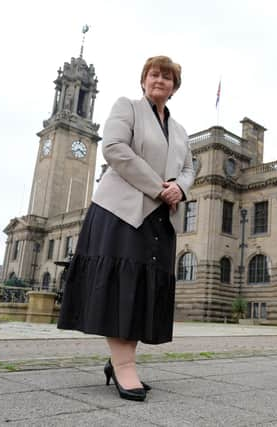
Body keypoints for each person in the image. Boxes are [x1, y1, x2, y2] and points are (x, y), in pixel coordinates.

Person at [57, 56, 194, 402]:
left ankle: (120, 361)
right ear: (144, 80)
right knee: (122, 287)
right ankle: (125, 367)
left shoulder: (179, 131)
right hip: (121, 212)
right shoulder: (127, 108)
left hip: (160, 219)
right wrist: (160, 187)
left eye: (167, 77)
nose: (159, 80)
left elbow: (190, 168)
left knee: (140, 290)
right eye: (153, 74)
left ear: (174, 87)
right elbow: (114, 149)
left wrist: (181, 188)